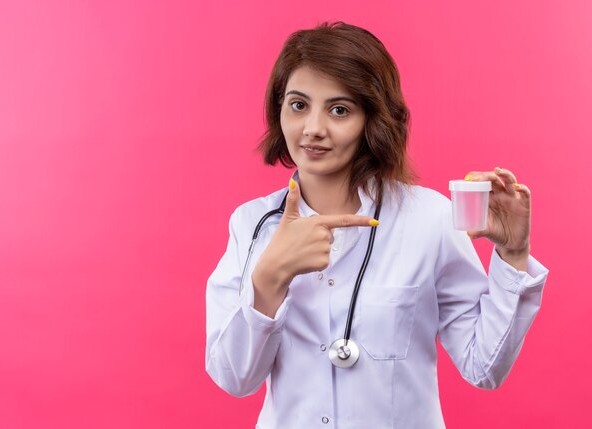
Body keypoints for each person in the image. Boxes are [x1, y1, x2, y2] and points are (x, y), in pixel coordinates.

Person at [205, 22, 548, 428]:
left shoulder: (429, 219)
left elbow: (484, 367)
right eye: (298, 105)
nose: (313, 128)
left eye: (339, 110)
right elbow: (234, 379)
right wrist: (269, 281)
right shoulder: (252, 225)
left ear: (373, 118)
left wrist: (512, 255)